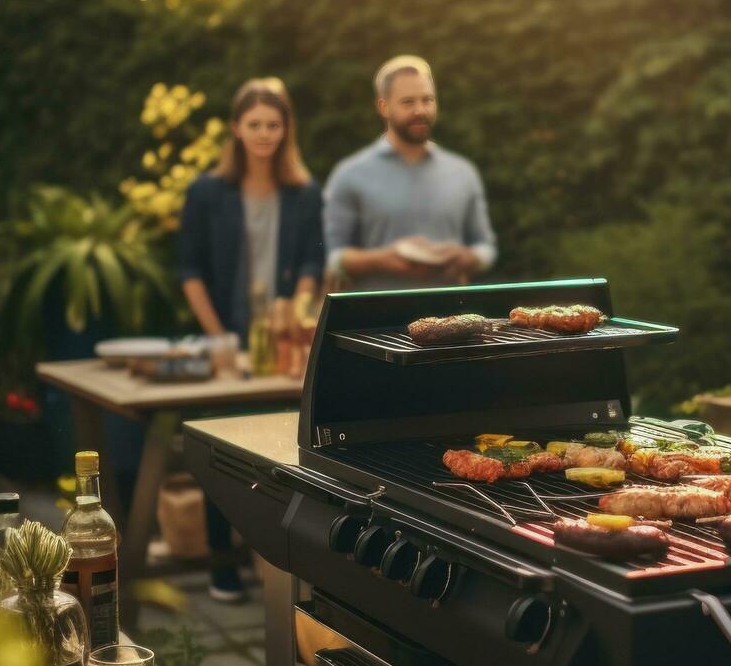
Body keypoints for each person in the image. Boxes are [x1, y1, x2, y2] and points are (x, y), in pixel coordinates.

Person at [175, 77, 323, 601]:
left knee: (284, 446)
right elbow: (190, 271)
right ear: (237, 128)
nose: (264, 134)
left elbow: (312, 261)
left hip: (283, 340)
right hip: (226, 335)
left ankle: (281, 562)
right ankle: (223, 563)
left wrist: (297, 309)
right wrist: (219, 339)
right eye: (255, 124)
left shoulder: (304, 194)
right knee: (220, 447)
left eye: (274, 125)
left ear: (286, 130)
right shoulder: (206, 192)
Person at [323, 55, 497, 289]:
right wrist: (381, 260)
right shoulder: (349, 174)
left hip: (449, 318)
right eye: (408, 102)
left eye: (427, 100)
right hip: (376, 320)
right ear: (384, 106)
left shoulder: (462, 172)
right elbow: (335, 258)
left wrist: (468, 257)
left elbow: (486, 247)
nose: (420, 110)